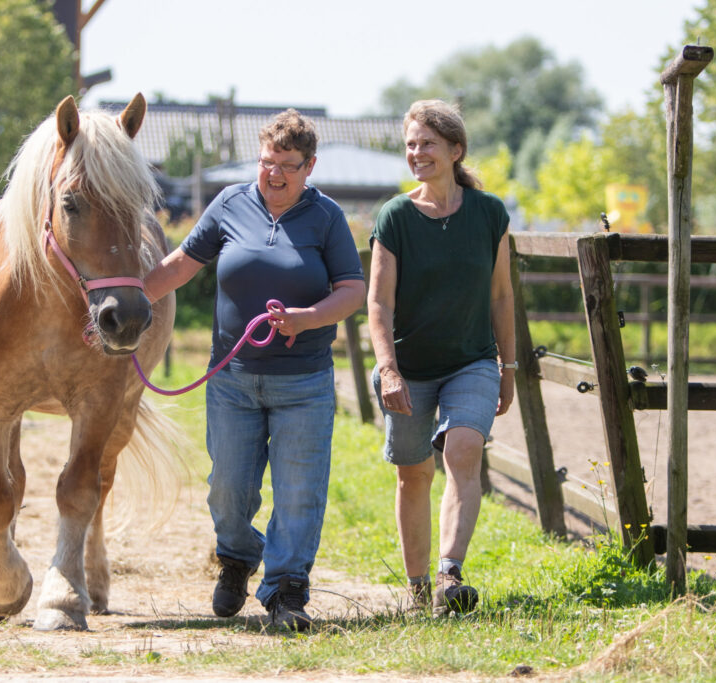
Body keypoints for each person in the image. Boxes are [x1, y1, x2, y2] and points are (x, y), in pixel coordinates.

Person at [144, 109, 365, 630]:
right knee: (228, 490)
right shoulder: (230, 204)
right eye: (268, 162)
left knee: (298, 491)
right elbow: (180, 264)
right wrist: (121, 303)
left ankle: (287, 591)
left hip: (304, 382)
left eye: (288, 165)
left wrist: (307, 319)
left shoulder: (326, 217)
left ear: (309, 166)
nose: (275, 174)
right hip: (232, 380)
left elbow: (352, 290)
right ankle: (238, 556)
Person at [366, 99, 515, 617]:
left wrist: (508, 367)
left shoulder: (490, 213)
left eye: (427, 143)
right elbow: (379, 303)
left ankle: (451, 574)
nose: (416, 152)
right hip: (408, 368)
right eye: (410, 144)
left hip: (470, 361)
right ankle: (418, 586)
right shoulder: (396, 216)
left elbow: (500, 295)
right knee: (413, 475)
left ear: (455, 149)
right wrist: (387, 369)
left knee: (463, 448)